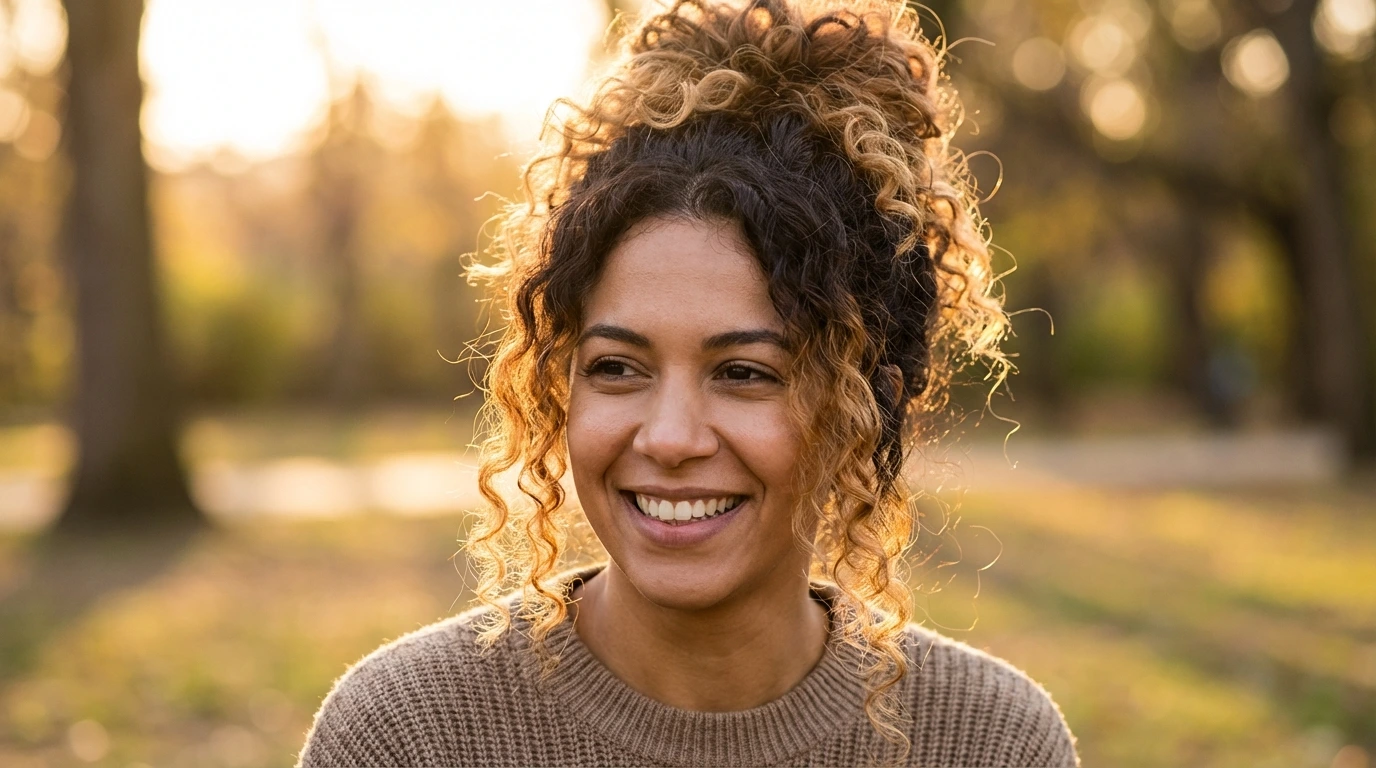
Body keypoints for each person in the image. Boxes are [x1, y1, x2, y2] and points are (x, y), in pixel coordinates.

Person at [299, 0, 1078, 765]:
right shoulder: (406, 736)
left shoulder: (994, 742)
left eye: (744, 373)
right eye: (616, 368)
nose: (669, 438)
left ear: (868, 398)